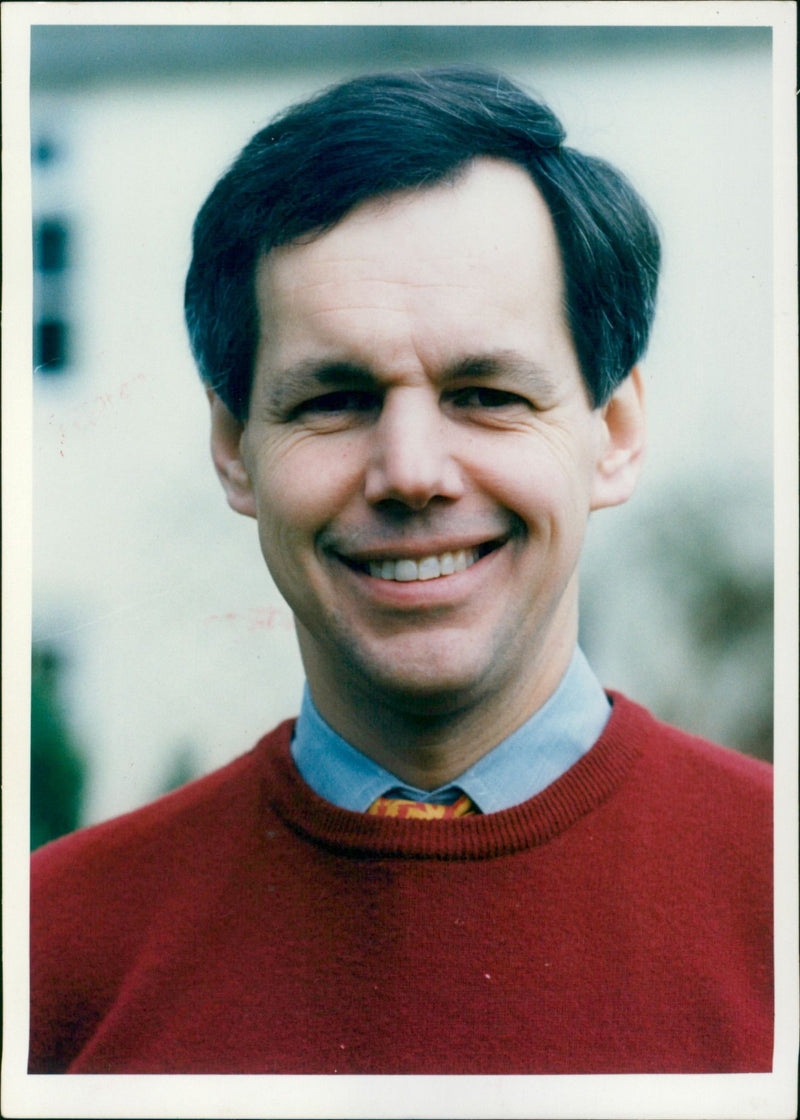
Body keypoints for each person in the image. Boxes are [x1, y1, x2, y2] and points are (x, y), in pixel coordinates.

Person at [30, 67, 772, 1075]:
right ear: (233, 446)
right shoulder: (50, 948)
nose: (411, 472)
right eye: (333, 399)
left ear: (613, 431)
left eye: (485, 392)